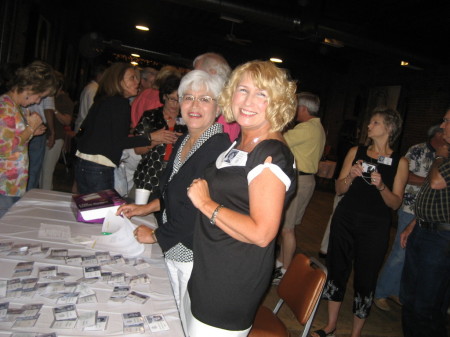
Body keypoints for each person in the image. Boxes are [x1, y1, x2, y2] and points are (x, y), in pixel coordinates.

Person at [185, 60, 297, 336]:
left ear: (277, 103)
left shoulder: (270, 155)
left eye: (262, 94)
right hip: (210, 268)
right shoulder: (243, 141)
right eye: (242, 90)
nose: (248, 101)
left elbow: (262, 233)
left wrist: (206, 203)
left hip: (230, 281)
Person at [117, 70, 230, 333]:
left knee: (184, 319)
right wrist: (146, 207)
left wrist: (156, 235)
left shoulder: (216, 147)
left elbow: (195, 211)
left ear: (219, 106)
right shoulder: (185, 140)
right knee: (171, 311)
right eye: (188, 97)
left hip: (191, 250)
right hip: (175, 245)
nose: (194, 105)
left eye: (204, 99)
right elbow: (172, 192)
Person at [313, 107, 408, 337]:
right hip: (345, 219)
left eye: (374, 122)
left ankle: (355, 334)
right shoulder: (356, 151)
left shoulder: (400, 162)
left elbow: (395, 204)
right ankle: (331, 325)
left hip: (375, 227)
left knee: (366, 278)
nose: (368, 126)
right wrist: (351, 176)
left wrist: (381, 186)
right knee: (337, 270)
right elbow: (339, 188)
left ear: (389, 128)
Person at [374, 124, 446, 311]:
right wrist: (429, 181)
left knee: (411, 256)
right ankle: (380, 292)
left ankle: (397, 291)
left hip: (428, 214)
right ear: (436, 134)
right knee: (400, 252)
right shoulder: (417, 150)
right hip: (409, 208)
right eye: (443, 129)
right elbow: (404, 175)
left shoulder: (445, 153)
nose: (445, 132)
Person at [399, 110, 450, 337]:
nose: (443, 124)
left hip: (441, 238)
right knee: (409, 297)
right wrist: (414, 224)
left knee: (426, 304)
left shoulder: (443, 156)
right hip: (423, 229)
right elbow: (431, 195)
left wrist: (439, 155)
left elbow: (437, 182)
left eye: (448, 121)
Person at [74, 63, 151, 194]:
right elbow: (119, 142)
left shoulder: (103, 99)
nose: (137, 82)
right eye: (132, 78)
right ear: (119, 81)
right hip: (99, 166)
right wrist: (150, 138)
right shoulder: (121, 104)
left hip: (83, 161)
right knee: (102, 211)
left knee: (89, 210)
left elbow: (85, 130)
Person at [273, 92, 326, 282]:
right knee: (289, 226)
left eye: (295, 107)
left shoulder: (306, 129)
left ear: (303, 108)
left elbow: (278, 138)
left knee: (287, 229)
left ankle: (286, 272)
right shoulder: (317, 127)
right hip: (306, 180)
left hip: (299, 180)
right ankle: (280, 264)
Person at [0, 60, 57, 217]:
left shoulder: (15, 106)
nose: (37, 101)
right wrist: (30, 128)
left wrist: (32, 131)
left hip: (12, 183)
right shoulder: (5, 108)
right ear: (30, 89)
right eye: (39, 96)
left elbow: (14, 138)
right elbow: (5, 150)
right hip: (4, 184)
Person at [132, 75, 186, 202]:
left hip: (174, 179)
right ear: (163, 96)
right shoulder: (150, 116)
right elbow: (138, 149)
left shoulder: (189, 121)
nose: (175, 104)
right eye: (172, 99)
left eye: (179, 100)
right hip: (149, 176)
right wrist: (156, 139)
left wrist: (184, 141)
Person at [193, 52, 241, 142]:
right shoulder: (229, 101)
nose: (191, 76)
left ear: (212, 73)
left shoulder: (216, 105)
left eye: (196, 72)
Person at [40, 71, 74, 190]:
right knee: (41, 170)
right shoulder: (46, 96)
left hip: (57, 138)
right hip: (43, 136)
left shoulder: (65, 100)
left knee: (47, 171)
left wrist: (53, 110)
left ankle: (44, 197)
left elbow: (67, 121)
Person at [74, 64, 106, 132]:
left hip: (83, 125)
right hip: (85, 127)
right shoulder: (94, 89)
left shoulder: (90, 87)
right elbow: (92, 110)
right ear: (99, 75)